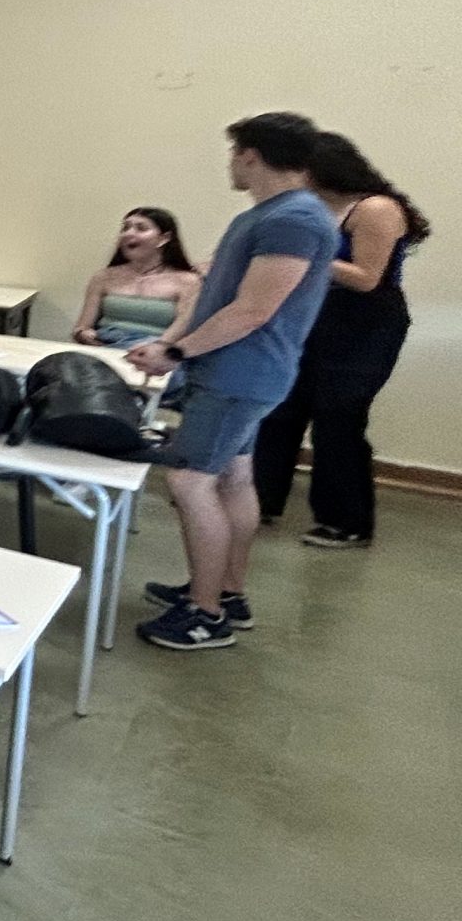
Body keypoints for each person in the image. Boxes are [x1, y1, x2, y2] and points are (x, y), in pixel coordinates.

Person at [131, 113, 337, 651]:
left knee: (189, 482)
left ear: (250, 155)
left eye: (234, 154)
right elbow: (226, 296)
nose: (230, 164)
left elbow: (253, 310)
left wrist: (176, 352)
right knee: (233, 479)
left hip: (239, 374)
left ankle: (206, 615)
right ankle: (225, 591)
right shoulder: (272, 214)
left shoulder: (294, 219)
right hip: (236, 372)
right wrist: (177, 343)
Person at [251, 132, 430, 550]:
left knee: (338, 417)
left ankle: (346, 521)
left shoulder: (376, 208)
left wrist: (304, 256)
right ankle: (261, 499)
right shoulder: (310, 207)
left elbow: (367, 278)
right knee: (281, 409)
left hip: (365, 324)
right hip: (315, 316)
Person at [70, 207, 201, 350]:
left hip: (154, 352)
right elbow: (82, 326)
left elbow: (183, 327)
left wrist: (156, 348)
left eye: (141, 228)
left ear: (164, 238)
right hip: (105, 346)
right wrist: (83, 334)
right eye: (125, 228)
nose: (128, 233)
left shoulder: (188, 281)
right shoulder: (103, 277)